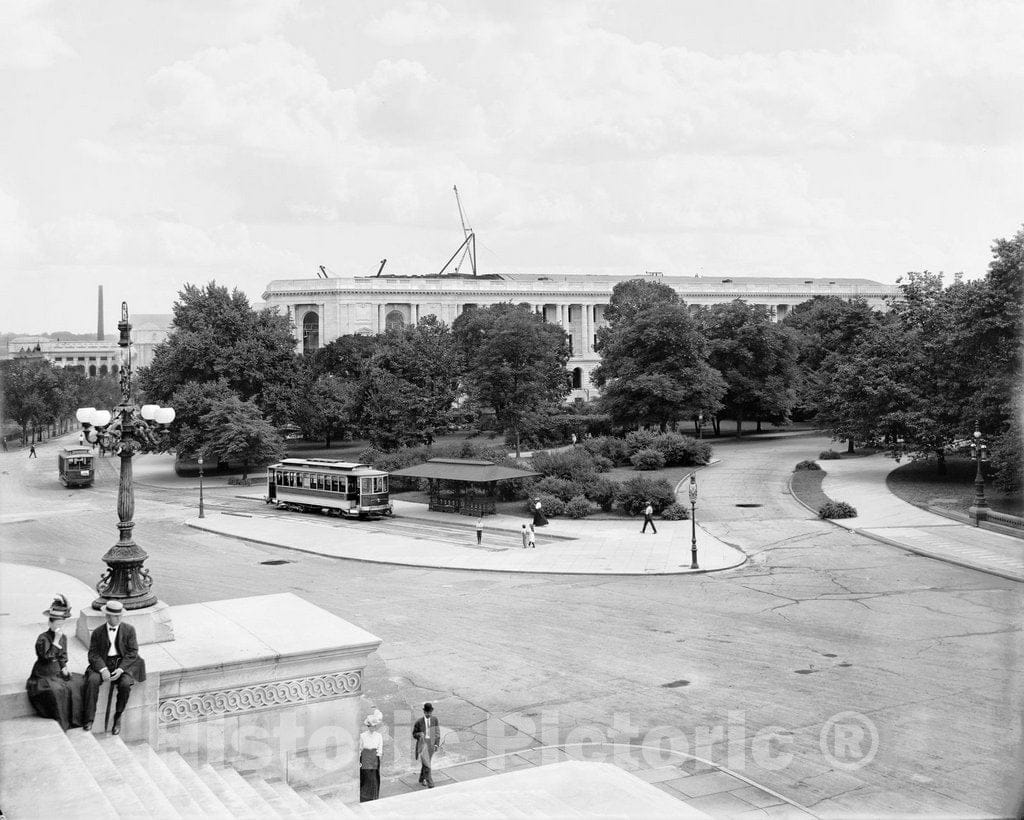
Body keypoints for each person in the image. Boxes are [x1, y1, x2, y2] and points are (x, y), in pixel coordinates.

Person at [82, 600, 146, 735]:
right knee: (92, 681)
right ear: (107, 617)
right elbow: (93, 654)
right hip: (103, 664)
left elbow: (133, 652)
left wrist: (121, 669)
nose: (118, 618)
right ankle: (89, 719)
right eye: (115, 616)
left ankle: (118, 716)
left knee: (125, 684)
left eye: (120, 616)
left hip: (122, 664)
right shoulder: (98, 632)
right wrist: (103, 669)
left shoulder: (129, 630)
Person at [26, 595, 84, 731]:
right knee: (57, 690)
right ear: (50, 623)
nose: (59, 628)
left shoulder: (63, 637)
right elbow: (46, 657)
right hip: (43, 673)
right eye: (57, 624)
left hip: (57, 670)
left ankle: (75, 720)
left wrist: (64, 666)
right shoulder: (43, 638)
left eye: (61, 624)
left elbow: (63, 655)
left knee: (77, 684)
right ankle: (62, 722)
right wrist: (55, 642)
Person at [358, 710, 384, 802]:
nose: (373, 728)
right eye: (371, 727)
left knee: (374, 777)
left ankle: (374, 795)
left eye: (374, 726)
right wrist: (359, 761)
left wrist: (378, 757)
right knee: (366, 776)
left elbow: (380, 748)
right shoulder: (362, 736)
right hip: (365, 758)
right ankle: (364, 795)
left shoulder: (379, 736)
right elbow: (360, 749)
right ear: (368, 726)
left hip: (374, 758)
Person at [413, 702, 440, 788]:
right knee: (427, 763)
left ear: (431, 712)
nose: (428, 714)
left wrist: (436, 745)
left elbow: (437, 733)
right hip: (423, 744)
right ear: (424, 712)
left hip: (431, 745)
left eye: (430, 712)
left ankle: (422, 778)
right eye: (427, 712)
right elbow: (414, 734)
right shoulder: (419, 722)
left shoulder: (434, 720)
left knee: (426, 763)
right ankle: (430, 782)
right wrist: (419, 734)